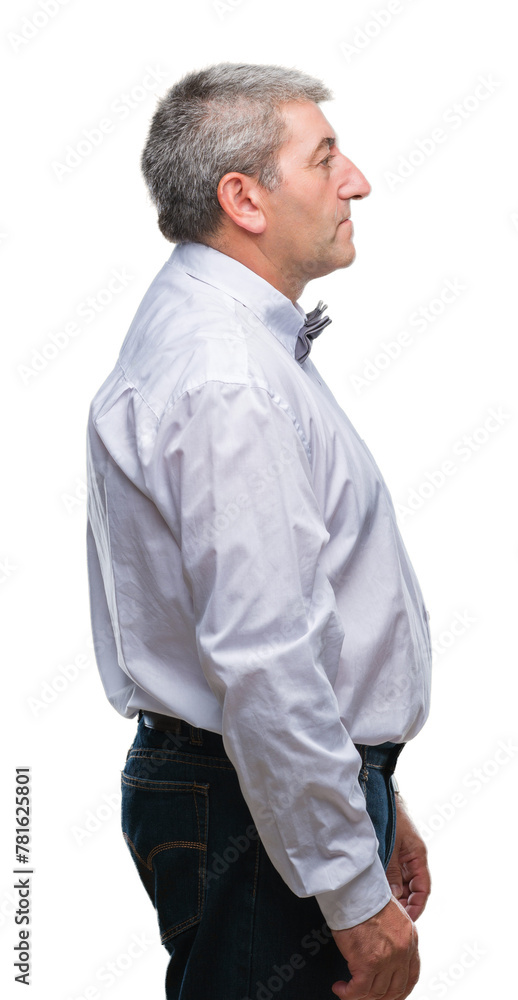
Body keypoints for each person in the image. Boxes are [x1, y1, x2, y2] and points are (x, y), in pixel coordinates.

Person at [86, 62, 432, 1000]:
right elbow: (266, 655)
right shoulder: (226, 375)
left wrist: (375, 795)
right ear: (243, 199)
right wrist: (349, 889)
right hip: (249, 804)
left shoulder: (227, 342)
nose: (356, 180)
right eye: (325, 158)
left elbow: (302, 622)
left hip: (262, 794)